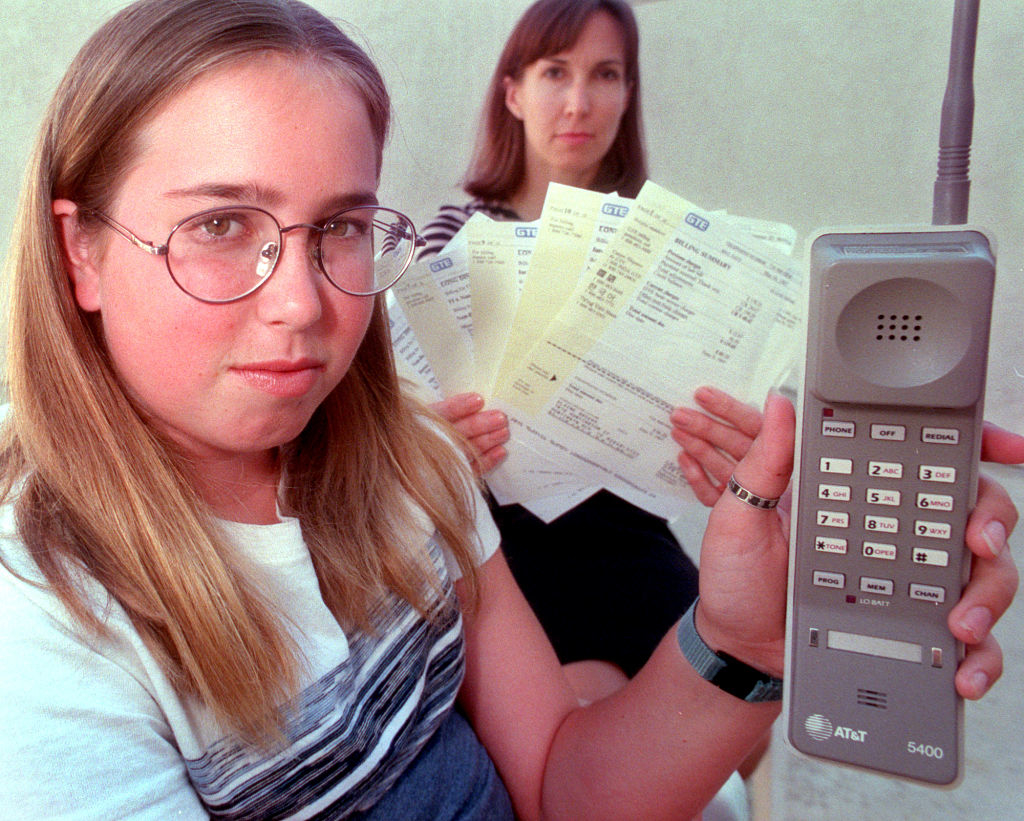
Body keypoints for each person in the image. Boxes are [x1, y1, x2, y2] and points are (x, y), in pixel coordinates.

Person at [0, 2, 1017, 820]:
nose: (303, 304)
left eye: (343, 226)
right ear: (80, 249)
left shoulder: (407, 467)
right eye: (220, 224)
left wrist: (741, 636)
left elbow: (559, 785)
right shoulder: (41, 624)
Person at [420, 0, 699, 704]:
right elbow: (403, 410)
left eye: (606, 75)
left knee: (735, 702)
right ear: (513, 92)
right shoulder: (454, 238)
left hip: (631, 535)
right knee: (592, 724)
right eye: (555, 73)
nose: (579, 102)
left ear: (628, 93)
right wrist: (433, 435)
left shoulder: (661, 245)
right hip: (507, 546)